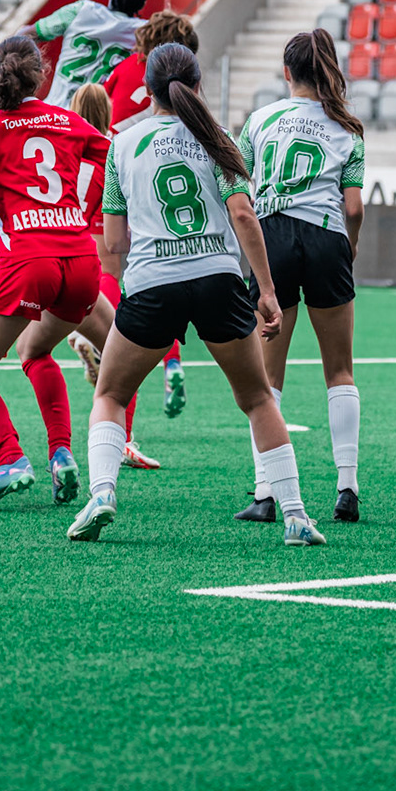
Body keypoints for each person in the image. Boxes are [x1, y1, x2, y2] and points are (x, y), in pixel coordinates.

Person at [63, 43, 325, 547]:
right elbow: (244, 216)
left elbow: (114, 242)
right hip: (218, 280)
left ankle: (101, 495)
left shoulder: (122, 144)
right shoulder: (217, 137)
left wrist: (129, 284)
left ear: (147, 86)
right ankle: (294, 515)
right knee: (257, 399)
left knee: (112, 395)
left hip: (151, 282)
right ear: (198, 83)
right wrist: (266, 292)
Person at [0, 35, 111, 509]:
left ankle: (11, 459)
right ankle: (61, 455)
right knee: (35, 352)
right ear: (41, 74)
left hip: (30, 260)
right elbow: (114, 160)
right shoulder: (68, 120)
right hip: (81, 260)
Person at [234, 29, 367, 524]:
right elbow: (353, 207)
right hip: (327, 236)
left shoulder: (260, 120)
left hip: (272, 239)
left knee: (267, 375)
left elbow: (240, 194)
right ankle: (347, 487)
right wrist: (348, 245)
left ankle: (266, 491)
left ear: (286, 72)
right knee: (340, 370)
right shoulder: (346, 125)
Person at [97, 8, 199, 416]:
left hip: (120, 170)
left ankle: (99, 336)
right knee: (167, 276)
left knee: (114, 269)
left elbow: (104, 113)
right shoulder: (186, 89)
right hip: (171, 190)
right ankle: (171, 360)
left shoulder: (126, 70)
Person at [63, 82, 162, 470]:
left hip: (65, 241)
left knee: (32, 356)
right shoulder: (114, 147)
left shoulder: (62, 145)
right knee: (126, 349)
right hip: (101, 239)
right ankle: (124, 439)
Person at [33, 0, 150, 108]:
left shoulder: (81, 10)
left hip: (54, 111)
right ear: (142, 4)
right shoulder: (145, 31)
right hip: (95, 122)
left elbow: (27, 33)